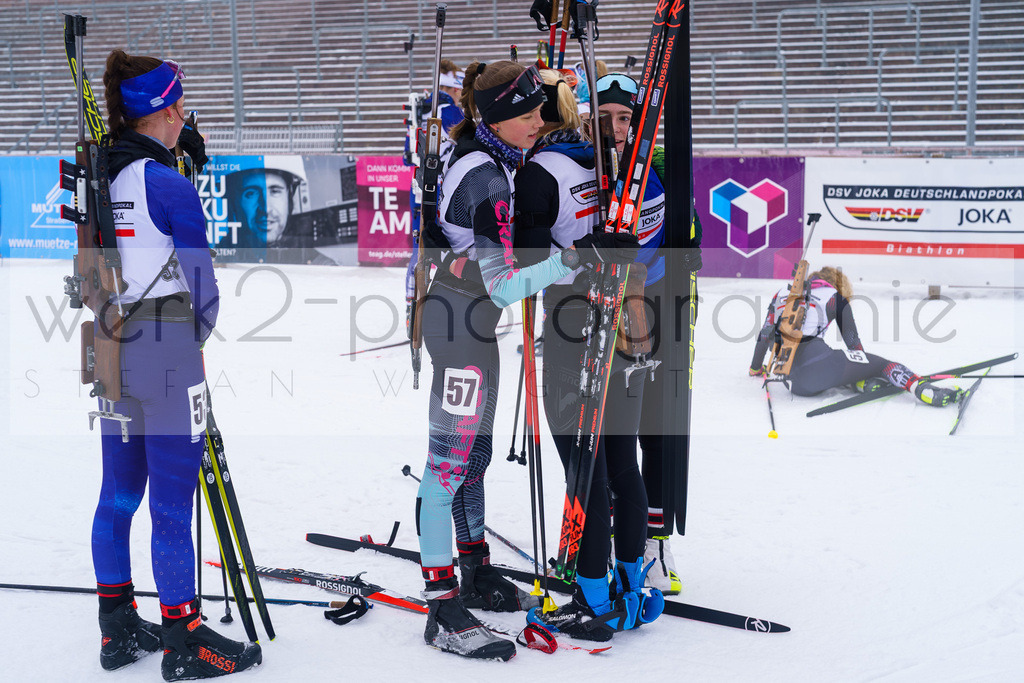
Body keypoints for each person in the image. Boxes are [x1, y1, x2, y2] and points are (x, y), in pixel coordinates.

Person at [414, 59, 636, 661]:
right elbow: (503, 285)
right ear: (499, 119)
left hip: (468, 325)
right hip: (462, 324)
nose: (539, 120)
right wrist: (579, 256)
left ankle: (475, 568)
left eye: (540, 108)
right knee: (447, 466)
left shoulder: (491, 157)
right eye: (528, 112)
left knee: (474, 456)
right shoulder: (488, 177)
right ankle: (442, 608)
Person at [94, 49, 260, 680]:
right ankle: (183, 636)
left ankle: (117, 628)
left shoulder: (97, 176)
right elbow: (204, 286)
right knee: (170, 503)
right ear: (162, 112)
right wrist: (193, 339)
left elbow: (87, 269)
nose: (184, 116)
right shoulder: (166, 182)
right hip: (165, 346)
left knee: (117, 495)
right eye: (180, 107)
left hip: (107, 340)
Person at [513, 69, 659, 642]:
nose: (621, 130)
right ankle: (625, 582)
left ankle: (598, 592)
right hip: (617, 317)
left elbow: (523, 264)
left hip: (592, 322)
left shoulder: (553, 169)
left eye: (628, 120)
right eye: (613, 118)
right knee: (611, 461)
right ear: (586, 115)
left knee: (599, 464)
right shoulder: (628, 170)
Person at [748, 265, 963, 406]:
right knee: (880, 364)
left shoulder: (782, 294)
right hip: (820, 364)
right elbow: (853, 345)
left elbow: (764, 335)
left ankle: (859, 383)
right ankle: (923, 389)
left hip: (791, 381)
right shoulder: (835, 298)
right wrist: (866, 367)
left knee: (835, 363)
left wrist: (756, 368)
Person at [404, 59, 466, 317]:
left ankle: (412, 303)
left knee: (420, 246)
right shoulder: (451, 111)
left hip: (419, 187)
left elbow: (407, 156)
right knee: (446, 246)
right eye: (459, 90)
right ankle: (445, 303)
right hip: (445, 190)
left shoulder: (419, 109)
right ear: (452, 89)